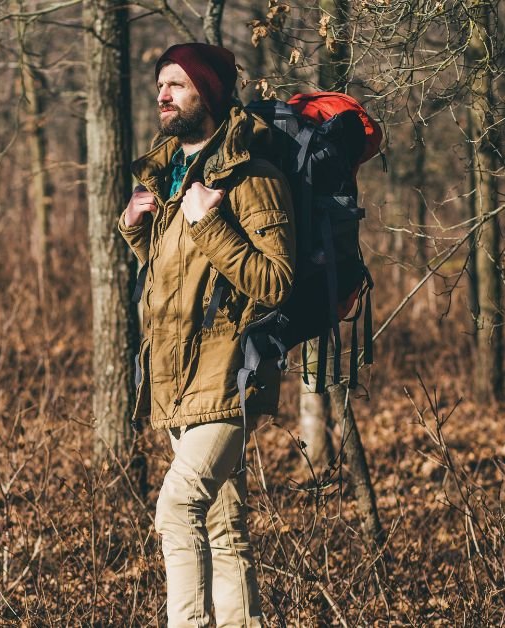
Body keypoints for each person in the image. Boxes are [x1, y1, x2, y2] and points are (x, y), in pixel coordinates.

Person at [118, 43, 296, 627]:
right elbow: (183, 281)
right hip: (180, 382)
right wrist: (138, 233)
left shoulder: (252, 176)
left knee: (177, 508)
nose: (163, 95)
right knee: (223, 528)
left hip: (228, 375)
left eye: (177, 84)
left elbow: (276, 281)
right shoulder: (173, 176)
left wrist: (211, 221)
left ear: (210, 93)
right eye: (160, 85)